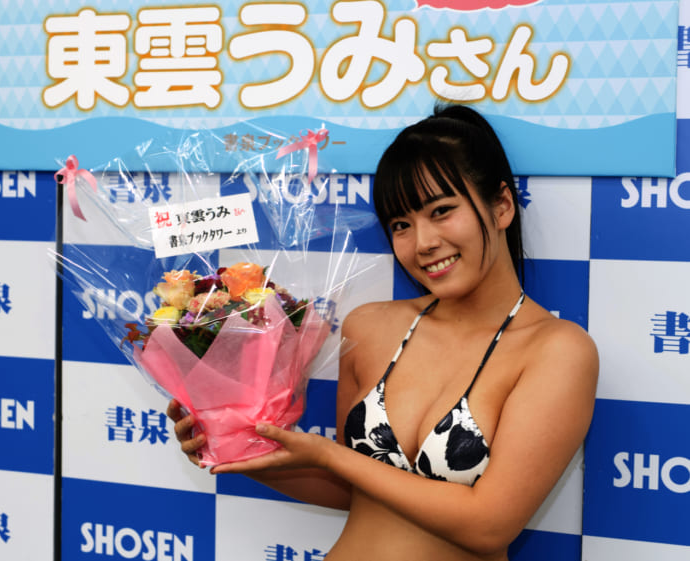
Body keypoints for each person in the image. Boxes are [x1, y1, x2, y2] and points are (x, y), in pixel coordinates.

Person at [166, 104, 599, 561]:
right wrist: (232, 444)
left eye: (442, 211)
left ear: (502, 206)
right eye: (401, 225)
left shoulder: (557, 351)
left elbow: (489, 525)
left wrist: (329, 455)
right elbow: (352, 489)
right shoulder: (370, 326)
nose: (423, 243)